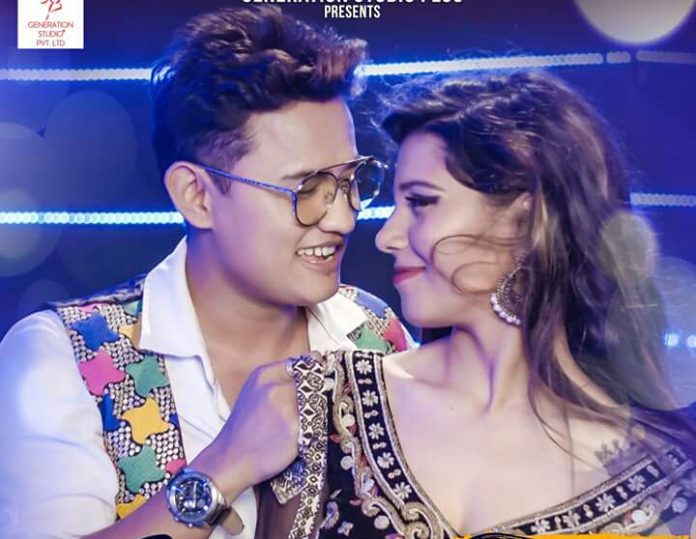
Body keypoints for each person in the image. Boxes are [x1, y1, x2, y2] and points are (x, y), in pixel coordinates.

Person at [0, 7, 412, 539]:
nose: (342, 217)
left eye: (351, 180)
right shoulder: (64, 355)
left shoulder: (374, 334)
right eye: (306, 189)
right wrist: (226, 464)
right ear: (196, 195)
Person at [259, 71, 696, 537]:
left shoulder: (664, 487)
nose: (387, 237)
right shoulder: (323, 400)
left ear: (528, 222)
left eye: (421, 202)